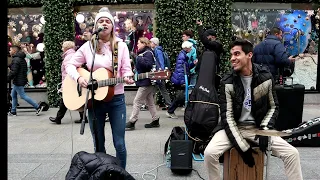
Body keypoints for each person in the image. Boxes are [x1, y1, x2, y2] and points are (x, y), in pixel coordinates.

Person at [204, 39, 303, 180]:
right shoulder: (227, 81)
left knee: (292, 154)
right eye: (231, 55)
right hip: (233, 128)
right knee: (209, 153)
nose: (233, 58)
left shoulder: (265, 77)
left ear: (249, 55)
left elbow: (273, 107)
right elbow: (228, 117)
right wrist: (243, 148)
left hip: (258, 127)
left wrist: (265, 130)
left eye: (237, 54)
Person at [65, 7, 134, 169]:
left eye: (107, 21)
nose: (104, 23)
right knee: (99, 144)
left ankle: (121, 174)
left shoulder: (121, 46)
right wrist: (80, 78)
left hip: (116, 99)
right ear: (96, 26)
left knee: (120, 143)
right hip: (94, 101)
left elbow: (126, 69)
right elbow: (70, 65)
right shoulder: (88, 47)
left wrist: (129, 77)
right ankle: (101, 173)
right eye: (101, 21)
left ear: (112, 26)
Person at [49, 41, 88, 125]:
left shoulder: (69, 57)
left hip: (69, 82)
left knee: (64, 99)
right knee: (76, 99)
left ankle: (58, 118)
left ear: (66, 47)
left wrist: (65, 84)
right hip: (73, 81)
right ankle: (83, 117)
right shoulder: (72, 55)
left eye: (63, 47)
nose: (62, 48)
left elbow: (69, 71)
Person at [125, 37, 160, 130]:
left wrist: (137, 58)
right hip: (147, 81)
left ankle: (132, 121)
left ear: (144, 43)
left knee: (137, 101)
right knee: (150, 102)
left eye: (139, 43)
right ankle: (155, 120)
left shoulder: (147, 53)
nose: (137, 45)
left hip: (146, 81)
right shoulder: (145, 53)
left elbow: (147, 66)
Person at [8, 45, 44, 116]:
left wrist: (8, 77)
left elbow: (14, 71)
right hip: (19, 80)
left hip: (18, 81)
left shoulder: (16, 59)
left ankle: (37, 107)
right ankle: (13, 111)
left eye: (10, 50)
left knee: (23, 96)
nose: (9, 51)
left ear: (14, 51)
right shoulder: (21, 58)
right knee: (13, 95)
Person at [166, 41, 196, 119]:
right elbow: (181, 70)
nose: (191, 49)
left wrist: (193, 63)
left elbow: (185, 68)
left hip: (180, 79)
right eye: (190, 48)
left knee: (181, 96)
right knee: (180, 97)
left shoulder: (183, 55)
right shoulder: (183, 57)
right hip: (181, 80)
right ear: (186, 48)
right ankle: (170, 111)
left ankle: (171, 110)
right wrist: (183, 82)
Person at [150, 37, 172, 110]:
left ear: (155, 43)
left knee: (160, 89)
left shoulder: (157, 50)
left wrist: (161, 72)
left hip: (159, 73)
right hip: (159, 73)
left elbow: (161, 61)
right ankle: (169, 104)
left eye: (151, 42)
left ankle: (169, 104)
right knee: (156, 88)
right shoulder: (158, 50)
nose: (150, 44)